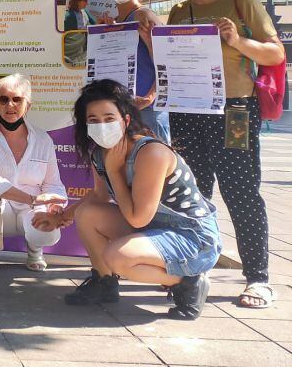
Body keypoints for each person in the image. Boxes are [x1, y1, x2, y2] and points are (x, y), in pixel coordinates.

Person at [166, 0, 284, 309]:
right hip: (186, 109)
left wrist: (236, 39)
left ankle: (258, 278)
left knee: (241, 191)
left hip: (234, 109)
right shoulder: (179, 11)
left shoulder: (241, 1)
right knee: (190, 194)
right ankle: (191, 271)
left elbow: (276, 53)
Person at [60, 79, 220, 320]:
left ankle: (188, 281)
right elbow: (99, 197)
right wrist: (60, 216)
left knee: (118, 257)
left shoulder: (150, 153)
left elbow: (137, 219)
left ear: (125, 120)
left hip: (191, 236)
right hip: (152, 228)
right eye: (93, 120)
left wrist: (115, 172)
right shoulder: (100, 153)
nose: (102, 125)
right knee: (88, 213)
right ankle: (104, 282)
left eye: (109, 118)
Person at [0, 74, 66, 276]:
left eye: (17, 99)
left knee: (46, 232)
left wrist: (55, 205)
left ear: (27, 105)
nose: (10, 105)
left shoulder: (43, 139)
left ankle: (35, 250)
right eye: (3, 99)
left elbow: (53, 184)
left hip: (30, 209)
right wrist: (33, 199)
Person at [104, 0, 169, 143]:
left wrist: (150, 96)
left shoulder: (143, 15)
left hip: (146, 109)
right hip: (121, 107)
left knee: (153, 167)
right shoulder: (117, 20)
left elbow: (167, 60)